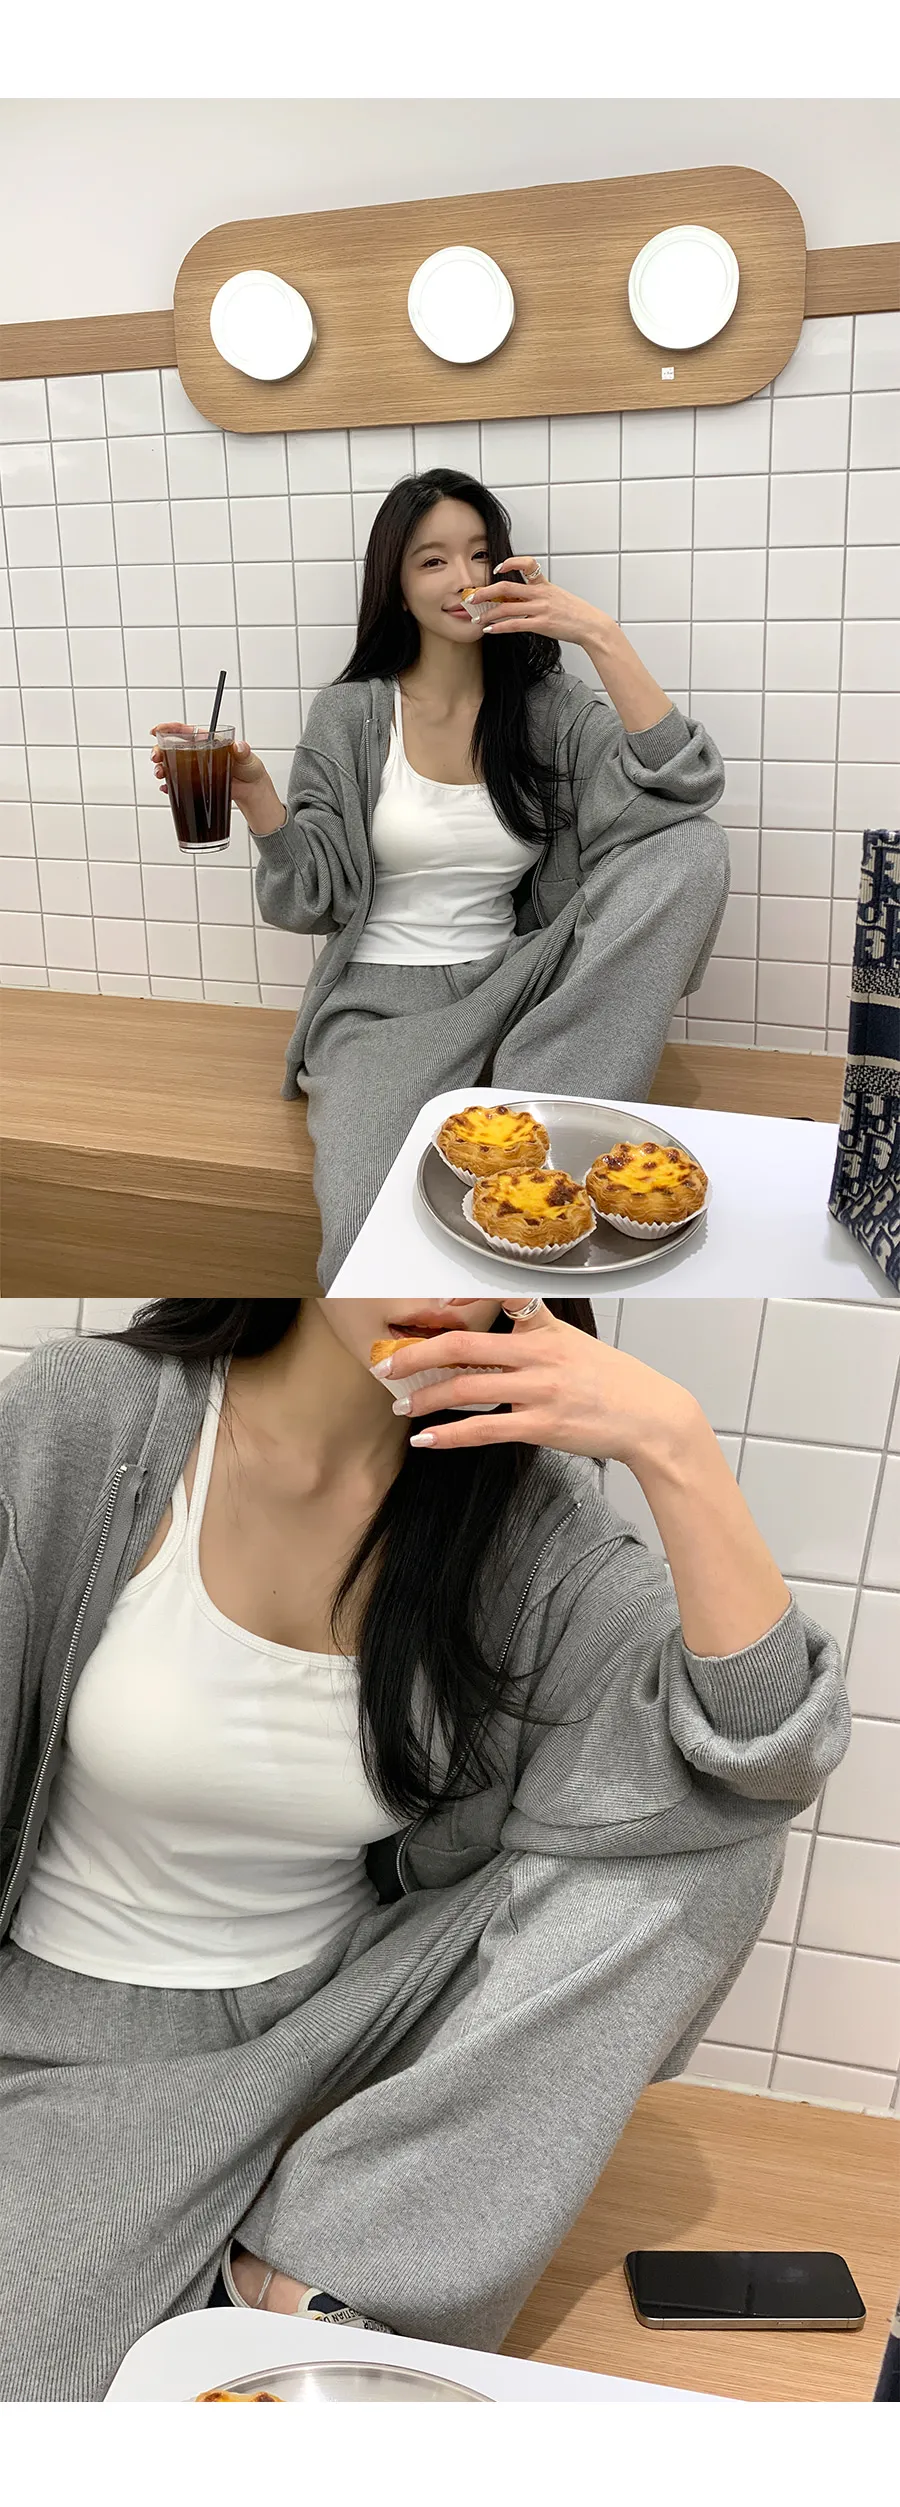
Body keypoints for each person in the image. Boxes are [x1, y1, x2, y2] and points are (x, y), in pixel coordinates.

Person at [0, 1293, 850, 2402]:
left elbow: (764, 1746)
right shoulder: (97, 1415)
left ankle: (314, 2266)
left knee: (711, 1837)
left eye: (467, 1238)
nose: (434, 1281)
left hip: (345, 2029)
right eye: (401, 1219)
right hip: (72, 2037)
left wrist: (673, 1445)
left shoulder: (516, 1520)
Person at [152, 468, 731, 1287]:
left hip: (518, 986)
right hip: (384, 1011)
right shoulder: (351, 715)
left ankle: (552, 1100)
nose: (463, 578)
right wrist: (256, 799)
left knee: (693, 848)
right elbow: (311, 900)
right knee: (367, 1230)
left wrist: (598, 635)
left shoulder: (548, 708)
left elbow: (684, 788)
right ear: (396, 585)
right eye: (432, 560)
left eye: (479, 553)